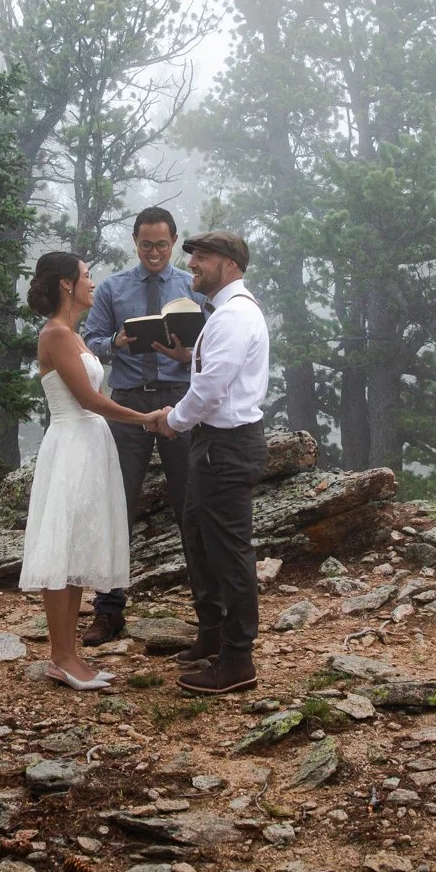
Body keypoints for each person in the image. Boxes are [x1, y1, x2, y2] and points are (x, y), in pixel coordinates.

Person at [18, 251, 158, 691]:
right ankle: (60, 657)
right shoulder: (56, 335)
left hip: (90, 443)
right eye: (85, 275)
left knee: (77, 548)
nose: (92, 282)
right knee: (62, 547)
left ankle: (71, 656)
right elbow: (90, 400)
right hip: (72, 443)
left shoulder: (74, 336)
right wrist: (146, 417)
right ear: (66, 284)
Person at [140, 231, 270, 694]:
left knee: (229, 551)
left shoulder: (234, 316)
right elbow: (213, 373)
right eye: (192, 256)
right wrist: (186, 356)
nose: (191, 263)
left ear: (230, 264)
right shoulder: (226, 314)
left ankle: (238, 660)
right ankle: (213, 635)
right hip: (214, 442)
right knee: (198, 537)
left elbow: (213, 387)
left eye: (203, 257)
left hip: (227, 445)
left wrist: (172, 420)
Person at [77, 206, 205, 645]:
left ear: (173, 241)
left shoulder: (193, 287)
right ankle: (108, 611)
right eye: (147, 244)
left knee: (192, 505)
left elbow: (210, 349)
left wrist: (185, 355)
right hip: (128, 405)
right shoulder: (113, 287)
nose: (154, 252)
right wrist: (116, 342)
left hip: (179, 403)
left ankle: (208, 612)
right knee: (116, 507)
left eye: (162, 244)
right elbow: (89, 342)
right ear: (135, 241)